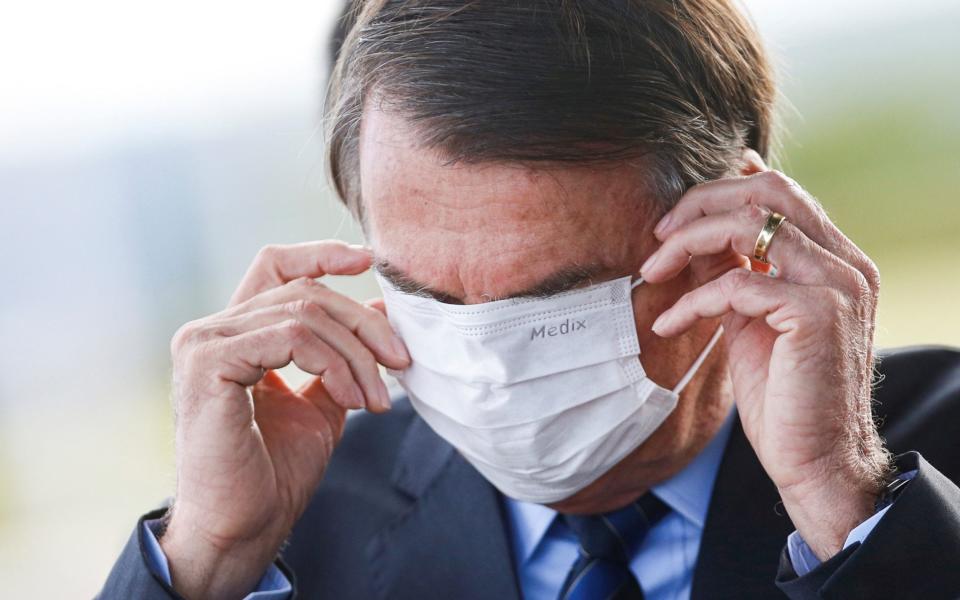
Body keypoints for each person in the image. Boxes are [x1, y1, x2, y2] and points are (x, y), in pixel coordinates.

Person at [99, 1, 960, 598]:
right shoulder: (287, 529)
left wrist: (846, 503)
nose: (490, 369)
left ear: (732, 231)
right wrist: (208, 558)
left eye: (552, 307)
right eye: (424, 295)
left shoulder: (927, 469)